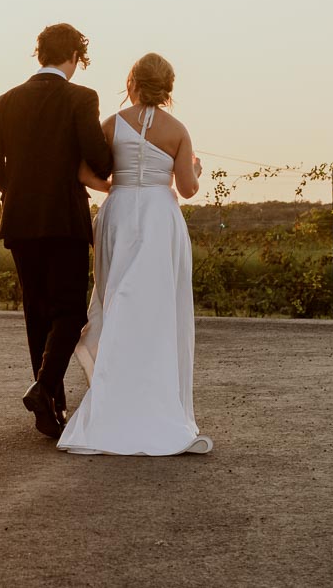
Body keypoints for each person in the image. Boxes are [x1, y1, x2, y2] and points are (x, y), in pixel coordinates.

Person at [57, 52, 214, 456]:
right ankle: (155, 400)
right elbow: (190, 187)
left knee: (116, 301)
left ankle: (114, 397)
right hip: (160, 217)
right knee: (158, 308)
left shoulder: (112, 124)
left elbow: (84, 173)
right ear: (168, 87)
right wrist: (194, 166)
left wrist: (118, 187)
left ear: (132, 81)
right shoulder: (178, 130)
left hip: (120, 214)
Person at [0, 23, 113, 439]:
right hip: (64, 221)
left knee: (37, 312)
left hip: (20, 221)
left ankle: (50, 405)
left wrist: (18, 189)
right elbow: (101, 162)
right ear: (74, 55)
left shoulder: (4, 102)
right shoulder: (81, 97)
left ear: (40, 54)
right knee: (70, 311)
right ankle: (43, 389)